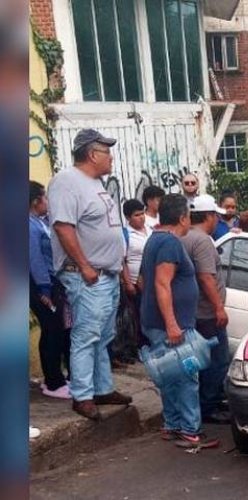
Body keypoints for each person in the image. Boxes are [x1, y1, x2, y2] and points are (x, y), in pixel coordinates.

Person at [48, 128, 132, 420]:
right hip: (87, 274)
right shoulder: (67, 182)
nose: (110, 157)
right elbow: (63, 226)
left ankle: (102, 387)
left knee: (103, 334)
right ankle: (82, 394)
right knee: (86, 335)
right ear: (92, 154)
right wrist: (84, 265)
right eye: (106, 151)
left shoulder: (95, 183)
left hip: (105, 274)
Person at [140, 194, 219, 448]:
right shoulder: (170, 244)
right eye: (188, 217)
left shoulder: (155, 240)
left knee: (170, 374)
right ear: (183, 218)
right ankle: (189, 429)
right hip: (170, 324)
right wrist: (172, 324)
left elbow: (145, 281)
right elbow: (162, 284)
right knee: (186, 375)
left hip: (158, 321)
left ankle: (173, 424)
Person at [181, 195, 232, 425]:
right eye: (216, 216)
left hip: (195, 311)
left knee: (201, 361)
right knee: (217, 360)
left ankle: (204, 403)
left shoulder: (186, 237)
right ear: (209, 216)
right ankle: (208, 406)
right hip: (207, 312)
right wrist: (218, 308)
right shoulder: (202, 241)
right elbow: (206, 277)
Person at [29, 181, 71, 399]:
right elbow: (34, 259)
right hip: (41, 285)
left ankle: (58, 376)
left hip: (51, 282)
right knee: (52, 329)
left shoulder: (40, 222)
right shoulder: (28, 225)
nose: (47, 202)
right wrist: (45, 288)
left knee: (59, 329)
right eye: (44, 198)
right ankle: (53, 382)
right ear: (36, 201)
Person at [115, 199, 151, 363]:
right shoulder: (125, 234)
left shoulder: (150, 230)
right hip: (136, 283)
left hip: (152, 281)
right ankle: (141, 347)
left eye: (142, 213)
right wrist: (128, 283)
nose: (141, 217)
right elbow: (122, 261)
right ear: (128, 217)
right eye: (137, 215)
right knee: (139, 316)